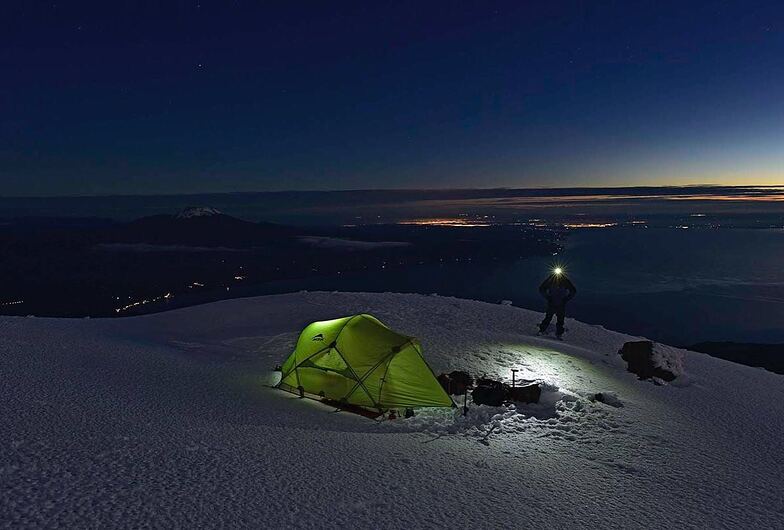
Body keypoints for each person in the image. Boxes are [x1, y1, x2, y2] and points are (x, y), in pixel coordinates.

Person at [538, 269, 577, 337]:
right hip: (552, 303)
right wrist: (548, 297)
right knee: (548, 317)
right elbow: (542, 288)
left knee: (560, 319)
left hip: (560, 304)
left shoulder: (565, 281)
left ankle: (558, 334)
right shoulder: (551, 280)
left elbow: (573, 291)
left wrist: (566, 299)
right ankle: (542, 330)